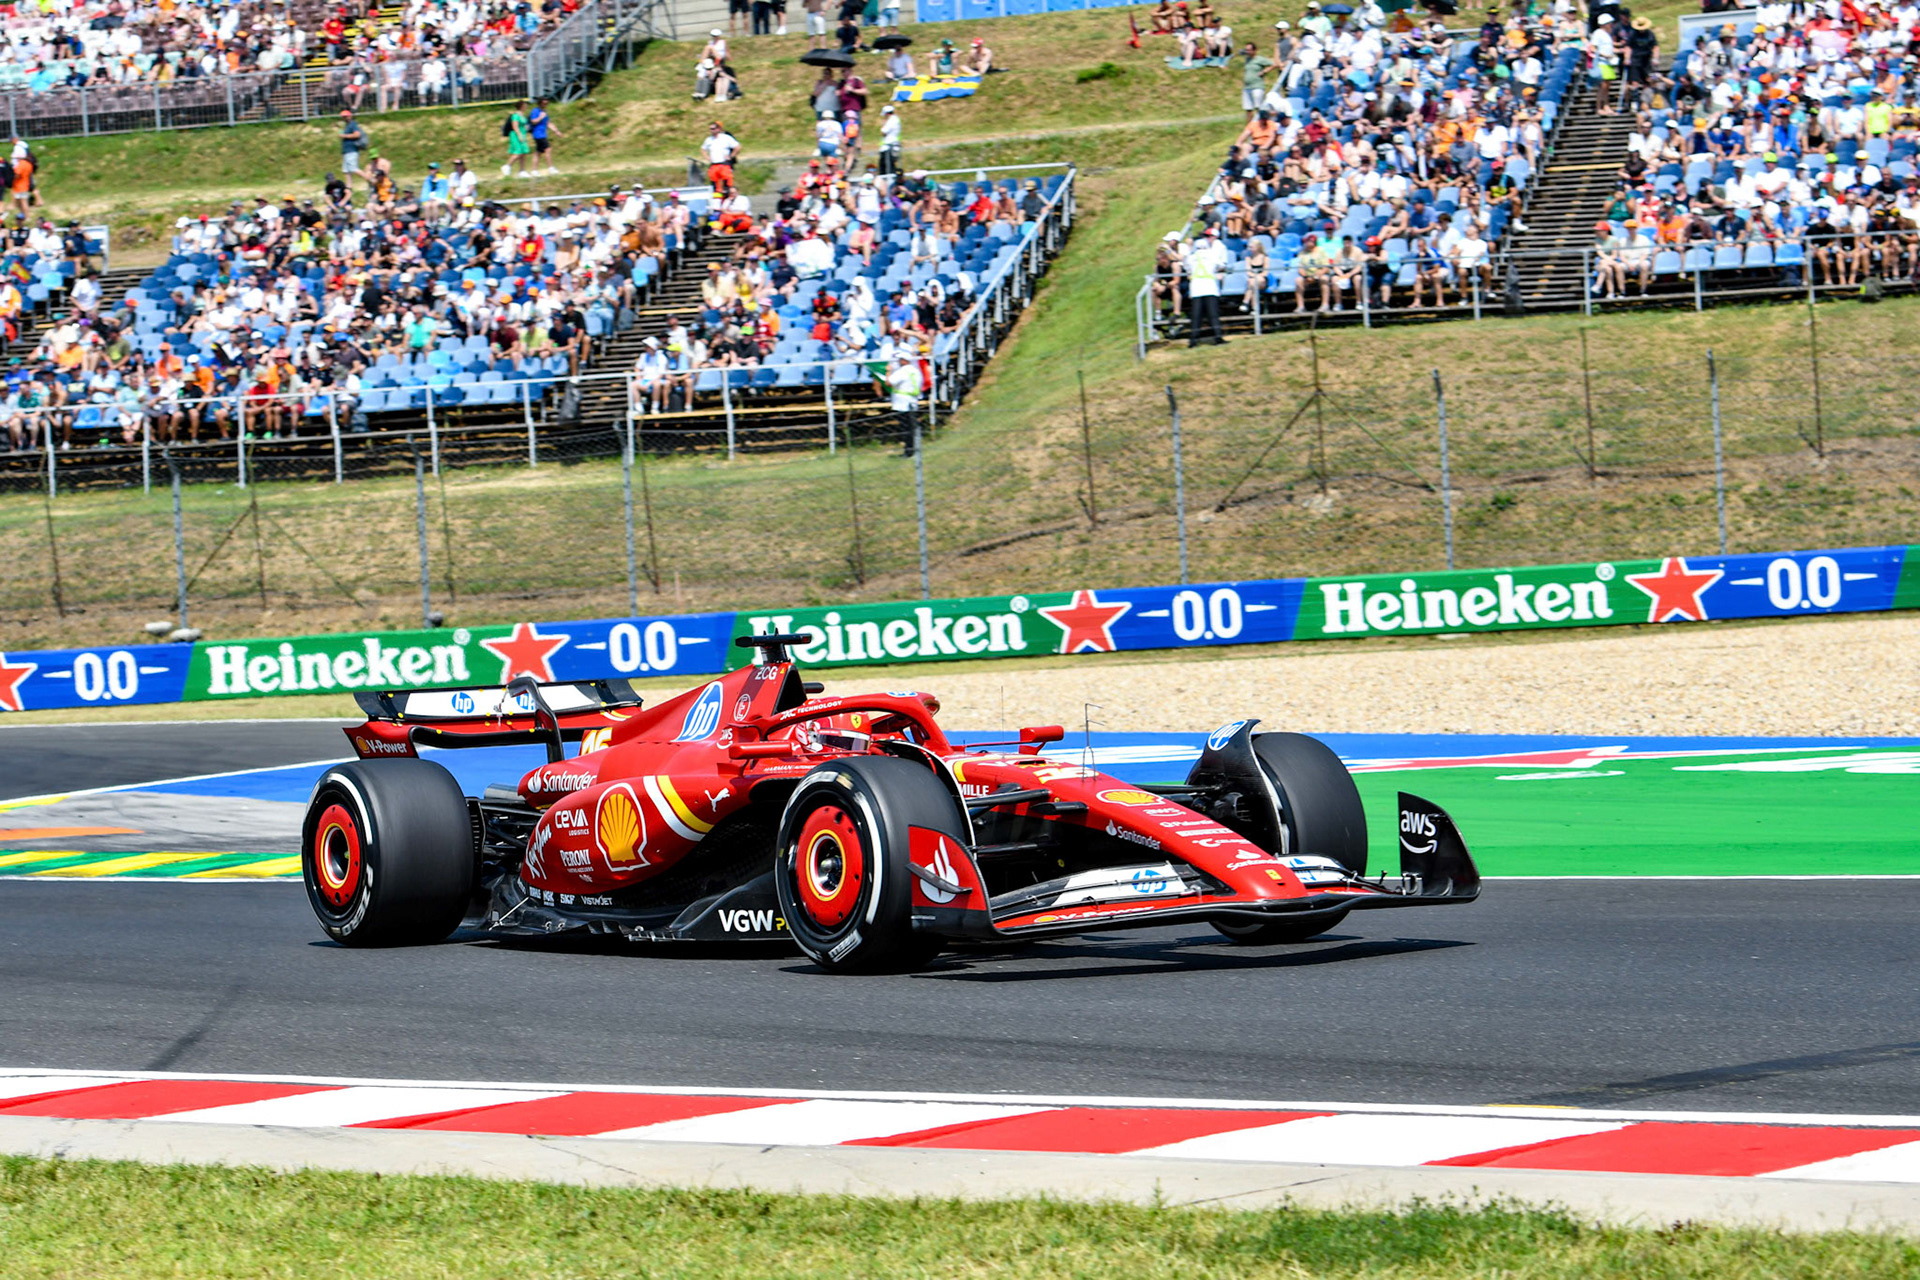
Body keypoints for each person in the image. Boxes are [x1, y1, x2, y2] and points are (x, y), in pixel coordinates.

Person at [1185, 227, 1226, 345]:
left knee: (1196, 316)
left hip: (1196, 288)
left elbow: (1187, 268)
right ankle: (1218, 337)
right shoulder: (1212, 256)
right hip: (1210, 287)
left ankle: (1193, 340)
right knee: (1213, 315)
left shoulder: (1192, 258)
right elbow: (1220, 266)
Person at [886, 350, 922, 454]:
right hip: (913, 401)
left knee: (905, 428)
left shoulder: (902, 371)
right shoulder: (916, 371)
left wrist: (888, 371)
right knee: (912, 427)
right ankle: (913, 448)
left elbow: (889, 382)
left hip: (902, 403)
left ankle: (908, 451)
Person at [700, 121, 740, 190]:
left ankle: (727, 197)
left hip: (724, 164)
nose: (712, 130)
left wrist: (731, 156)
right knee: (715, 185)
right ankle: (717, 198)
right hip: (714, 165)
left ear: (718, 129)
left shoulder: (726, 138)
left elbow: (737, 147)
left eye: (713, 128)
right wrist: (706, 157)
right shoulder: (708, 139)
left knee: (727, 183)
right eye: (710, 129)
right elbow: (703, 149)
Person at [501, 100, 534, 178]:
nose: (526, 107)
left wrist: (526, 128)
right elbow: (515, 126)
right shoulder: (515, 115)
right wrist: (519, 135)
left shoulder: (522, 115)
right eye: (525, 105)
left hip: (523, 134)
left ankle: (522, 170)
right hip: (516, 135)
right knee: (518, 152)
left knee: (524, 152)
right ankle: (507, 166)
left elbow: (523, 125)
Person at [529, 98, 561, 177]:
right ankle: (551, 168)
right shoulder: (535, 111)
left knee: (538, 153)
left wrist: (556, 131)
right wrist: (540, 117)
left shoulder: (544, 112)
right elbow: (533, 121)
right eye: (544, 103)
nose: (545, 105)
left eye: (546, 104)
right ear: (539, 103)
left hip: (543, 134)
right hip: (538, 134)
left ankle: (534, 170)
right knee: (548, 149)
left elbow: (548, 123)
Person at [339, 109, 369, 191]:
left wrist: (344, 136)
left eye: (346, 116)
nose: (344, 118)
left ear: (350, 116)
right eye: (343, 117)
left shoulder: (353, 124)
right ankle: (349, 187)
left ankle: (370, 179)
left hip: (352, 150)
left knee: (353, 168)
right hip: (346, 151)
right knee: (346, 170)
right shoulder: (347, 126)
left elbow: (357, 134)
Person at [878, 103, 902, 176]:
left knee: (887, 166)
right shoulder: (896, 119)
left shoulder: (891, 120)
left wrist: (883, 123)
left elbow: (883, 132)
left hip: (888, 146)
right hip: (891, 145)